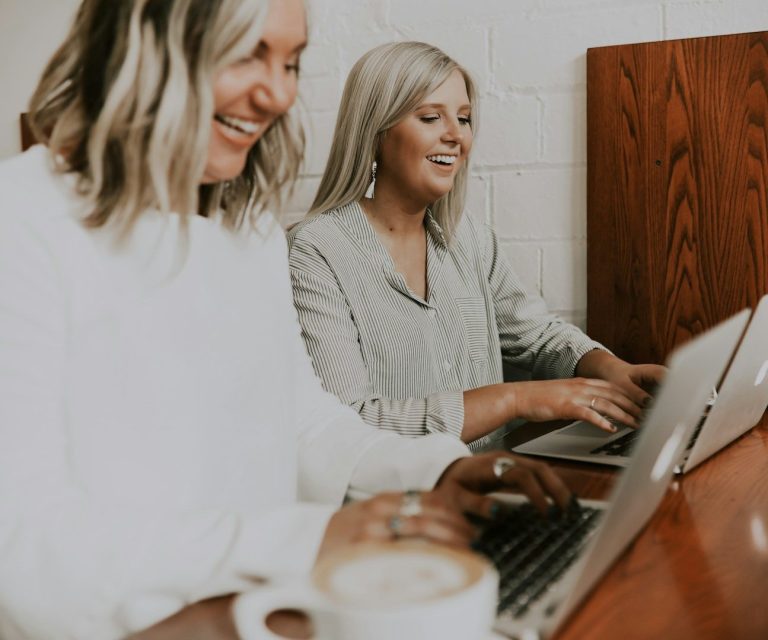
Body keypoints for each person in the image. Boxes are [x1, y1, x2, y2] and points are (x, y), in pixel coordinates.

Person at [0, 4, 573, 639]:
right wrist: (309, 539)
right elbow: (25, 543)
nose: (277, 93)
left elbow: (306, 423)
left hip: (265, 614)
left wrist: (434, 470)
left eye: (292, 62)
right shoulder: (21, 223)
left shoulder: (248, 233)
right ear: (145, 40)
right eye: (247, 52)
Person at [288, 42, 666, 447]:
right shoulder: (315, 251)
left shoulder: (468, 239)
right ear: (376, 132)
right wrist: (514, 399)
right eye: (431, 117)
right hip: (399, 502)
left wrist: (610, 368)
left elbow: (535, 336)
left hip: (493, 485)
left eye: (464, 119)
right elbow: (350, 424)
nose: (456, 135)